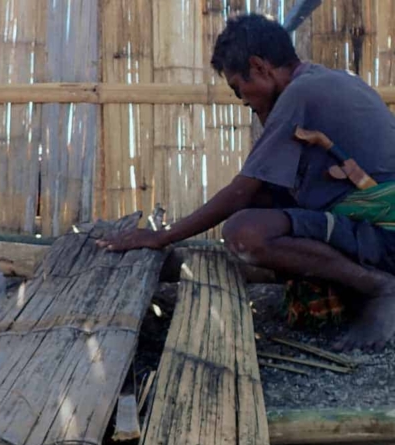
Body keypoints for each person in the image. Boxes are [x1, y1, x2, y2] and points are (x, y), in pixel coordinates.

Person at [96, 13, 395, 351]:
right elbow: (269, 186)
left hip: (386, 238)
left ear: (260, 66)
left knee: (244, 233)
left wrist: (162, 236)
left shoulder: (303, 93)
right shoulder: (325, 81)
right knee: (267, 201)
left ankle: (378, 287)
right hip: (378, 229)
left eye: (240, 88)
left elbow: (241, 191)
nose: (243, 100)